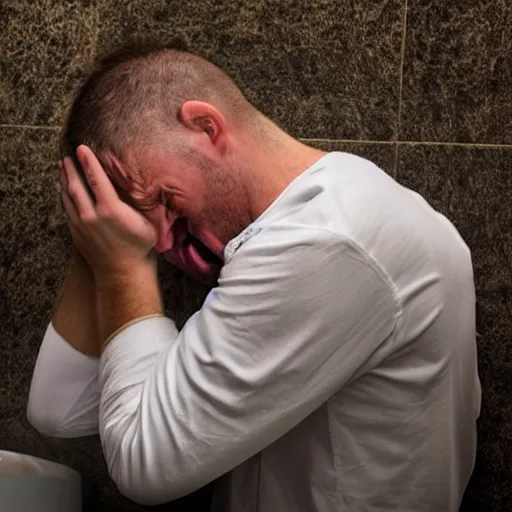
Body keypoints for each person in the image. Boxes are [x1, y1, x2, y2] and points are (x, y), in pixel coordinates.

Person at [26, 44, 481, 512]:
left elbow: (143, 465)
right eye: (132, 215)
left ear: (206, 127)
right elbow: (59, 409)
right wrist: (96, 240)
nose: (157, 241)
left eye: (159, 197)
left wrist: (122, 267)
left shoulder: (323, 240)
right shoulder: (320, 221)